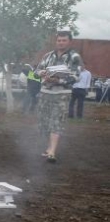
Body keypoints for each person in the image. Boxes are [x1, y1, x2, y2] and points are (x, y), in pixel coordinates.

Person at [36, 30, 82, 163]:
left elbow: (76, 76)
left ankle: (52, 152)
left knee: (57, 121)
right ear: (56, 41)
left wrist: (59, 81)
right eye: (59, 40)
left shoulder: (74, 57)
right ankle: (49, 148)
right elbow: (37, 70)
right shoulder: (48, 56)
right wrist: (42, 73)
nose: (61, 43)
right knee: (44, 122)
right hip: (45, 93)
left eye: (64, 40)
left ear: (69, 42)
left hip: (62, 94)